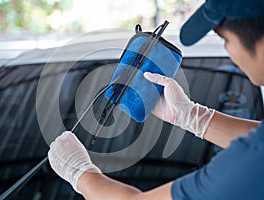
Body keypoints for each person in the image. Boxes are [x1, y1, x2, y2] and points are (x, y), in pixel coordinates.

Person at [48, 0, 264, 199]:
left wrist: (82, 174)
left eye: (226, 39)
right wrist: (192, 115)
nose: (227, 49)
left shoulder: (249, 164)